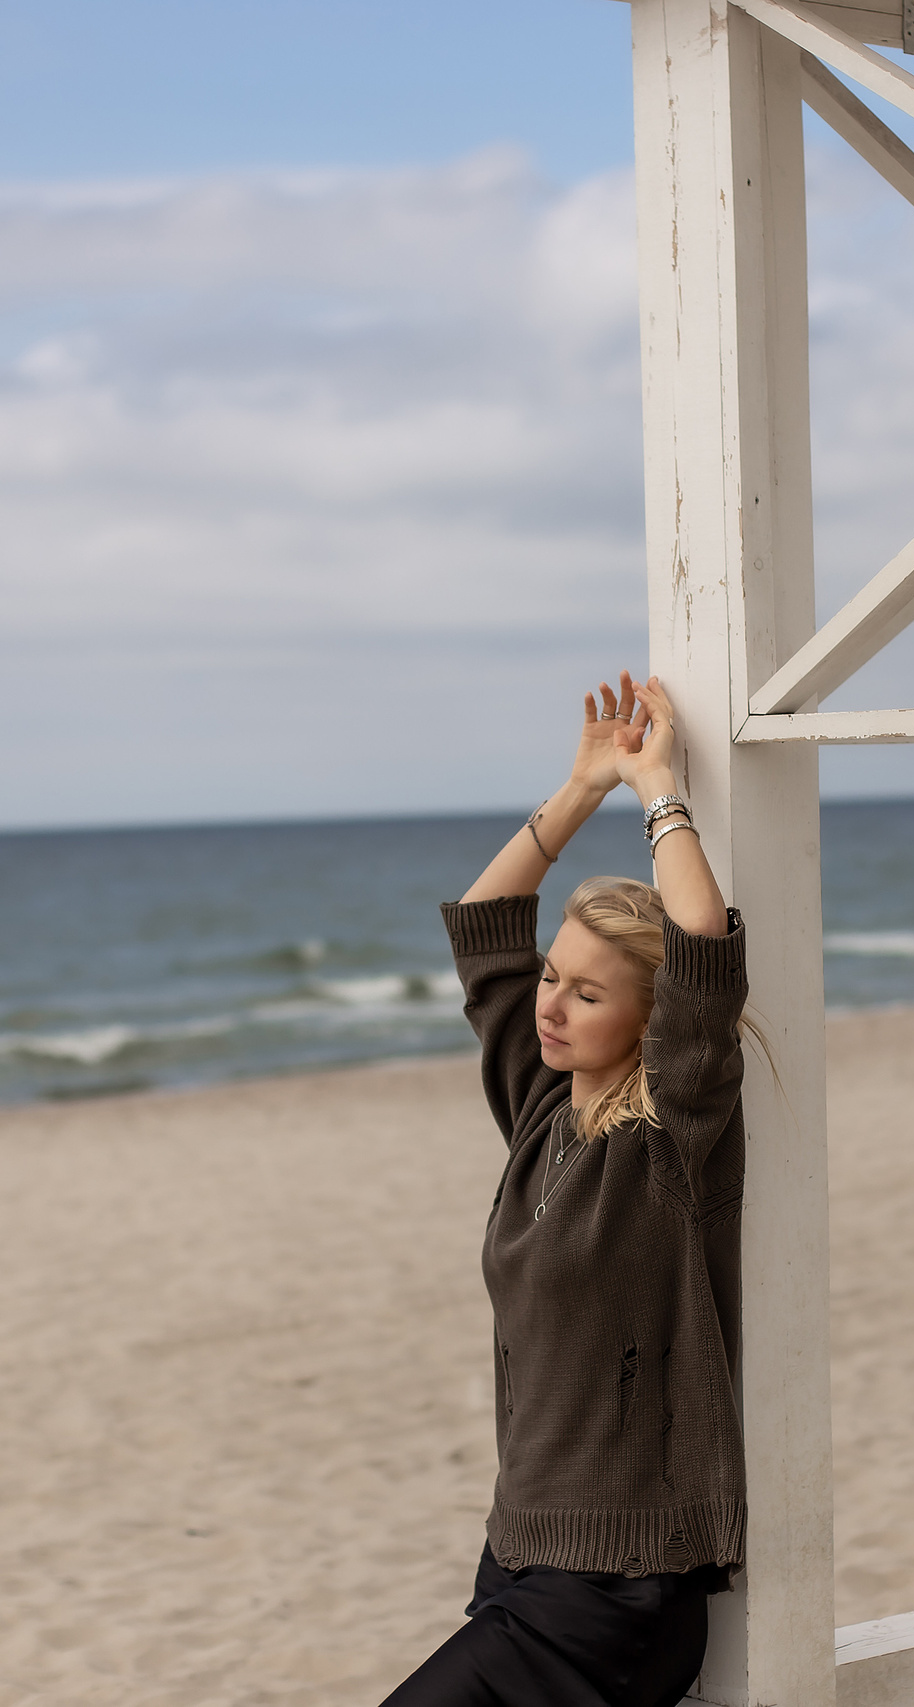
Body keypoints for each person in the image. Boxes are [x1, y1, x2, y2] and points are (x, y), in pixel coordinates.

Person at [381, 670, 753, 1707]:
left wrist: (657, 791)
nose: (551, 1005)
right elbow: (487, 922)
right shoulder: (541, 1111)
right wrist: (584, 785)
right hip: (519, 1555)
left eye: (588, 994)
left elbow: (703, 955)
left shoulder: (670, 1139)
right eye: (554, 976)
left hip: (619, 1587)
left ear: (648, 1019)